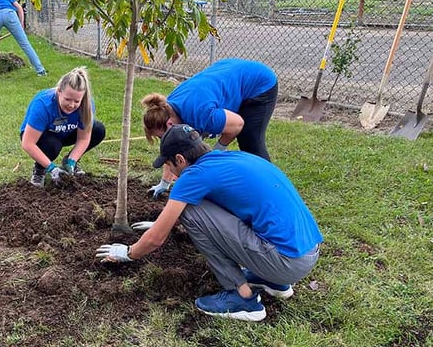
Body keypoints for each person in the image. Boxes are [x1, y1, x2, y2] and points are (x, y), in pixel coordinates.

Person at [97, 124, 322, 322]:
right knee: (196, 207)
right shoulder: (231, 159)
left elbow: (157, 239)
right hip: (307, 252)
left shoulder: (193, 175)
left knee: (190, 210)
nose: (172, 174)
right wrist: (163, 222)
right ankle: (272, 282)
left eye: (169, 165)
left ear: (180, 160)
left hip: (285, 262)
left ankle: (242, 298)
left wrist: (128, 252)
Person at [141, 58, 278, 198]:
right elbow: (172, 147)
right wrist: (164, 183)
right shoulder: (167, 108)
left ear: (170, 124)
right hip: (229, 73)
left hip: (258, 83)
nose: (163, 140)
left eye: (160, 137)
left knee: (250, 142)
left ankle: (272, 190)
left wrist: (219, 148)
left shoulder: (201, 115)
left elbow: (237, 124)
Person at [20, 66, 106, 186]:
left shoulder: (86, 105)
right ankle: (40, 170)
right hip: (40, 136)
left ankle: (69, 162)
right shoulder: (43, 104)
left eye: (76, 101)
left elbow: (84, 138)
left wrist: (72, 161)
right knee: (53, 145)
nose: (71, 105)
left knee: (98, 130)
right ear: (59, 91)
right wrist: (52, 168)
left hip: (65, 131)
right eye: (67, 99)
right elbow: (27, 143)